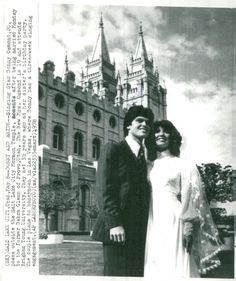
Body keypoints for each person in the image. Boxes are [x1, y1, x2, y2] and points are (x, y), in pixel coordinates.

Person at [144, 120, 222, 279]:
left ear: (172, 136)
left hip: (173, 219)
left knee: (175, 261)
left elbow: (190, 196)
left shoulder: (184, 165)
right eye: (157, 131)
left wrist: (188, 226)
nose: (160, 134)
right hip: (152, 219)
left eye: (165, 131)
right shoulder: (149, 165)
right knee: (155, 262)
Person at [91, 105, 154, 277]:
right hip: (117, 230)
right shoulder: (114, 149)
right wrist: (114, 223)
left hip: (139, 231)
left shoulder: (145, 159)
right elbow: (104, 189)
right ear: (128, 125)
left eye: (148, 122)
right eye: (139, 121)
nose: (145, 125)